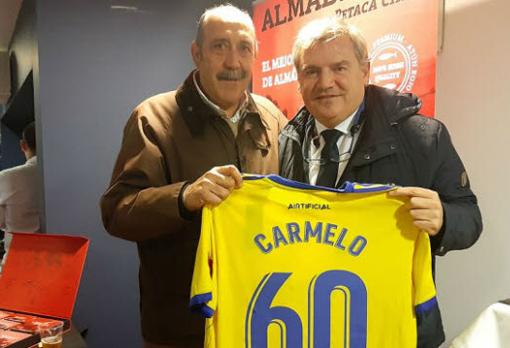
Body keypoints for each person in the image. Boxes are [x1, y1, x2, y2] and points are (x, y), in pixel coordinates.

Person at [278, 18, 482, 347]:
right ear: (299, 79)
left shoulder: (423, 137)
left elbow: (470, 218)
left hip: (397, 327)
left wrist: (444, 218)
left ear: (365, 71)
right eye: (311, 71)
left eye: (339, 68)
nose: (325, 82)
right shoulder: (286, 141)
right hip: (313, 324)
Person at [100, 4, 287, 348]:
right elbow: (117, 212)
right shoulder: (153, 117)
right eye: (219, 46)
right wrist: (184, 198)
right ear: (196, 54)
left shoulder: (273, 118)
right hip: (183, 330)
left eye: (244, 47)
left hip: (260, 321)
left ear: (255, 54)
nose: (233, 62)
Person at [0, 122, 41, 263]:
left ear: (23, 145)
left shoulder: (6, 178)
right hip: (60, 264)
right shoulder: (71, 176)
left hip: (18, 264)